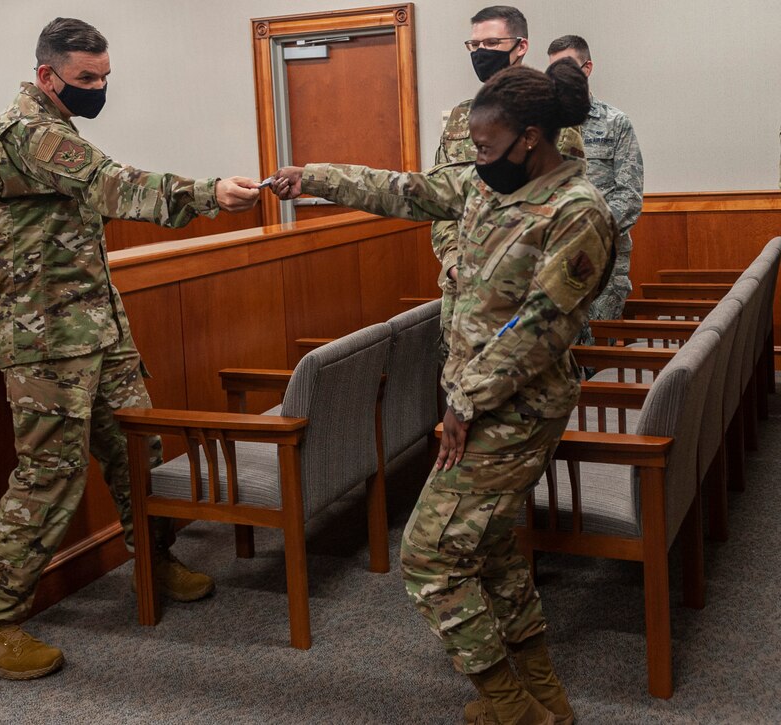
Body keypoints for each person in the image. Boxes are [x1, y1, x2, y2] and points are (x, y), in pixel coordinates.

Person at [270, 60, 615, 725]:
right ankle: (545, 695)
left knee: (428, 557)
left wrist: (465, 399)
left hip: (514, 409)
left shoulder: (578, 212)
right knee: (490, 549)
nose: (477, 160)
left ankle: (510, 705)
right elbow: (404, 190)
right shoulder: (490, 185)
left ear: (531, 138)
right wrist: (310, 177)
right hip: (477, 399)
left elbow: (542, 324)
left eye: (487, 147)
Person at [0, 17, 261, 681]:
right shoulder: (27, 130)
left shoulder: (58, 123)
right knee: (51, 473)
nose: (98, 90)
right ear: (48, 76)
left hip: (96, 327)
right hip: (43, 339)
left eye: (104, 78)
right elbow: (115, 184)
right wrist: (207, 192)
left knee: (139, 449)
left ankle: (153, 562)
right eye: (86, 80)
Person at [434, 6, 586, 352]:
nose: (480, 53)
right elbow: (440, 202)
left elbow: (568, 210)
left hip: (526, 300)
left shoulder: (549, 113)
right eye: (473, 45)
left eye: (491, 42)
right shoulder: (462, 117)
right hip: (464, 298)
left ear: (520, 46)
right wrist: (454, 262)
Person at [548, 35, 644, 345]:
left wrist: (586, 232)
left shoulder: (615, 123)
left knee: (595, 354)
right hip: (553, 263)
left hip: (604, 261)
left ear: (587, 68)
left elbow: (629, 196)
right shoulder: (543, 126)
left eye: (566, 67)